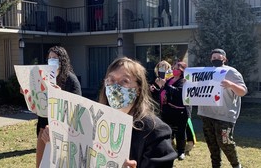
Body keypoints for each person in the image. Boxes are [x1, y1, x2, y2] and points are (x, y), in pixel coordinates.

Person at [41, 57, 177, 168]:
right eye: (111, 80)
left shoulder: (155, 131)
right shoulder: (93, 120)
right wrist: (56, 137)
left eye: (124, 81)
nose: (115, 86)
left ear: (138, 89)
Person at [197, 49, 247, 168]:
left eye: (218, 57)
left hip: (224, 116)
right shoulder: (205, 72)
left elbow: (243, 91)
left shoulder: (231, 72)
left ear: (224, 59)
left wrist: (231, 85)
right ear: (210, 59)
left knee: (225, 142)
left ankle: (236, 165)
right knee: (211, 143)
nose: (216, 59)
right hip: (207, 115)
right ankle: (216, 165)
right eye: (213, 58)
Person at [36, 46, 82, 168]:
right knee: (40, 164)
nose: (51, 60)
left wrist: (59, 94)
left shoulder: (71, 80)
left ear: (62, 60)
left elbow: (77, 106)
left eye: (55, 58)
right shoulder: (44, 78)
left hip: (62, 131)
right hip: (43, 128)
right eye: (50, 58)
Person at [155, 61, 190, 160]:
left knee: (180, 132)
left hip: (180, 111)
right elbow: (164, 92)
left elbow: (178, 93)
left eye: (176, 69)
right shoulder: (170, 79)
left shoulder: (184, 81)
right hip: (168, 110)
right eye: (173, 68)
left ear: (182, 71)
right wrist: (156, 90)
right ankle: (169, 150)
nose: (173, 70)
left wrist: (165, 85)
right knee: (168, 131)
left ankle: (181, 151)